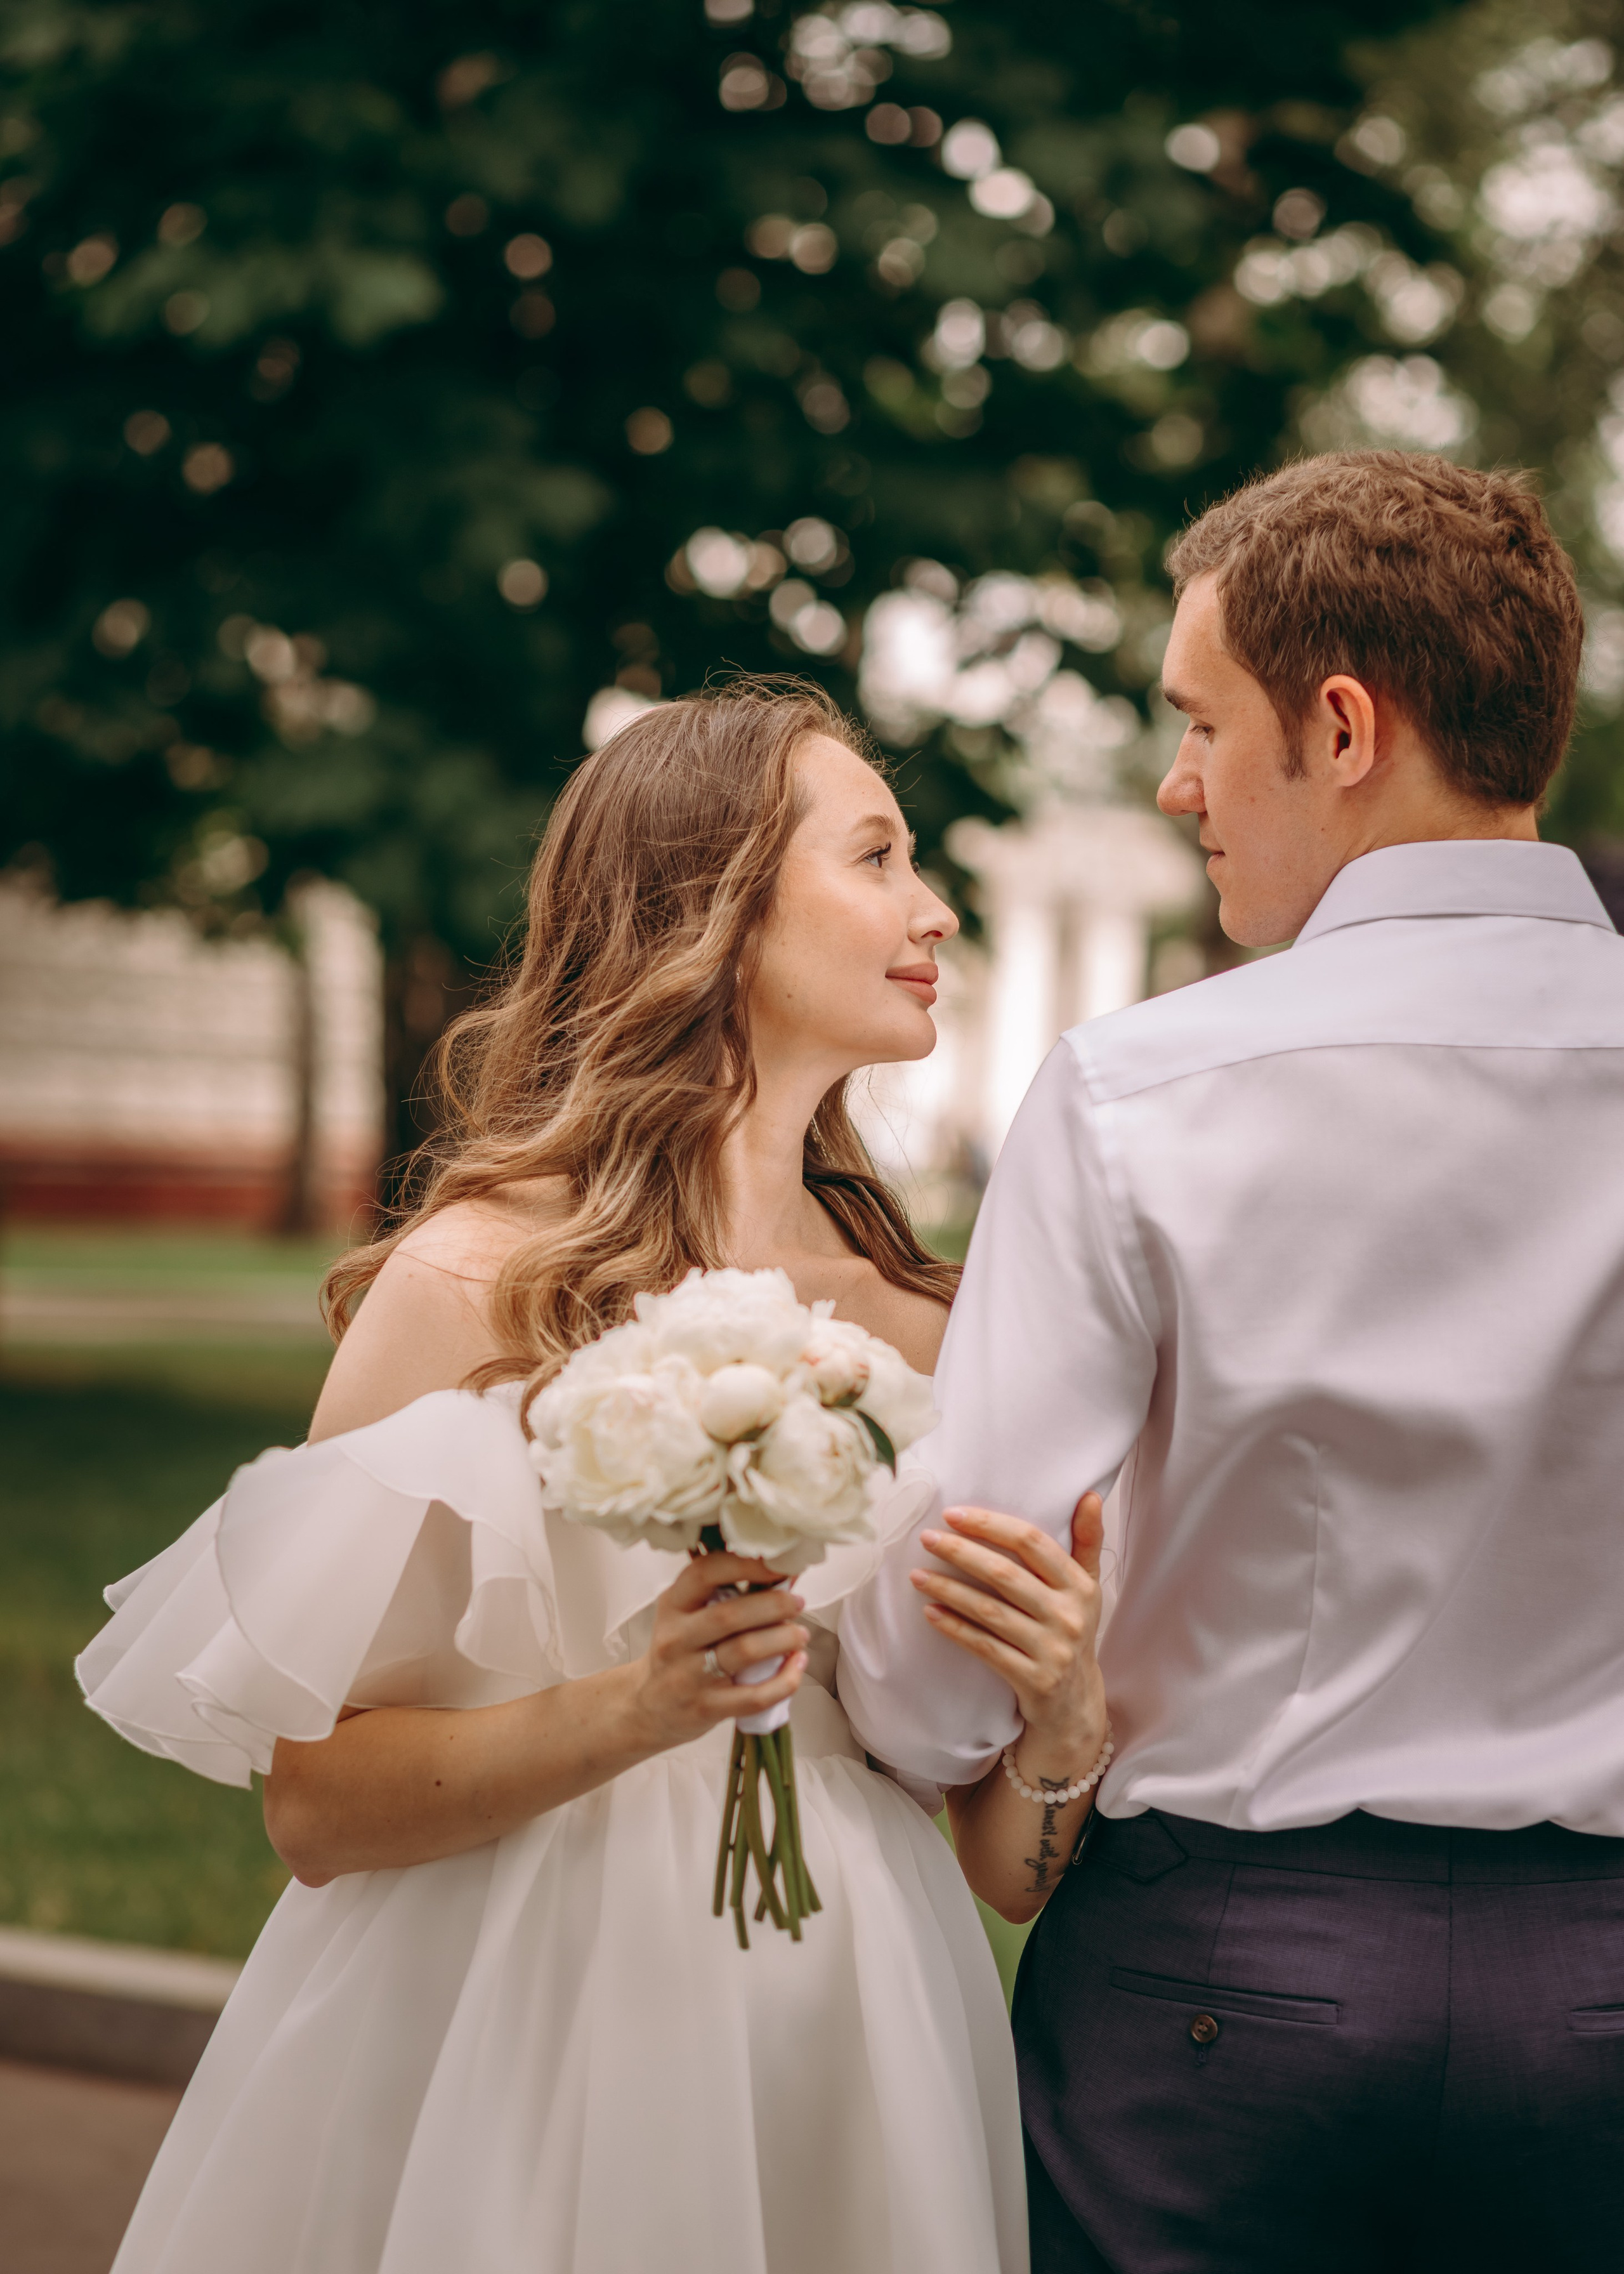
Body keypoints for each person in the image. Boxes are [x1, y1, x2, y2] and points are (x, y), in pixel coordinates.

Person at [78, 679, 1064, 2274]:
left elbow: (1000, 1869)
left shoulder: (934, 1322)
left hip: (849, 2022)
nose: (932, 908)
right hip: (516, 2016)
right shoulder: (479, 1283)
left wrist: (1063, 1718)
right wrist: (638, 1707)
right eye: (877, 856)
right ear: (716, 910)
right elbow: (314, 1805)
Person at [837, 452, 1624, 2274]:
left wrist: (909, 1710)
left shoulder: (1141, 1090)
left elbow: (957, 1630)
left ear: (1340, 728)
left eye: (1200, 723)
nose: (1175, 784)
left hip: (1221, 1992)